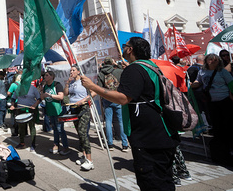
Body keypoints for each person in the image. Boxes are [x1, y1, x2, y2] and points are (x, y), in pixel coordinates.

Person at [82, 37, 178, 190]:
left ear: (130, 49)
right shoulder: (151, 66)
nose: (123, 48)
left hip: (148, 136)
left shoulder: (134, 69)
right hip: (161, 132)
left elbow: (123, 98)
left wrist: (94, 87)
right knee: (164, 179)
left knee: (151, 181)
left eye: (124, 46)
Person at [191, 53, 233, 166]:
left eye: (215, 59)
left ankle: (227, 153)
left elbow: (231, 84)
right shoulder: (202, 72)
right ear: (206, 61)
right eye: (210, 59)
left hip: (224, 102)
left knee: (226, 127)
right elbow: (198, 82)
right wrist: (191, 84)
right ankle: (220, 154)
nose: (213, 61)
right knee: (217, 127)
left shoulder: (223, 72)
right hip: (211, 103)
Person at [65, 65, 96, 169]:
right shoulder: (72, 82)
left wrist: (83, 100)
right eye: (70, 71)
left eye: (73, 70)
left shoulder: (84, 80)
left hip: (83, 108)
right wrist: (67, 83)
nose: (71, 72)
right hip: (74, 108)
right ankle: (84, 156)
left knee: (83, 132)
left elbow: (94, 92)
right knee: (79, 132)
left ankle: (90, 160)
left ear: (78, 71)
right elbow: (66, 94)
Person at [97, 57, 129, 152]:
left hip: (107, 99)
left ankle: (110, 144)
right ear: (112, 63)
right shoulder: (118, 71)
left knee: (108, 121)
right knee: (121, 121)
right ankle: (125, 145)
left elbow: (99, 88)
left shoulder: (101, 73)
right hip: (118, 97)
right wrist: (116, 64)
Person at [40, 70, 70, 155]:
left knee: (60, 129)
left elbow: (61, 96)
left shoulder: (57, 84)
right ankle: (56, 144)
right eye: (44, 76)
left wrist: (50, 96)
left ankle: (66, 147)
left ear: (52, 76)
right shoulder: (45, 86)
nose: (45, 77)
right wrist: (41, 91)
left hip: (58, 110)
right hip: (50, 110)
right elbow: (42, 98)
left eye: (46, 75)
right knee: (55, 129)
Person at [10, 82, 41, 151]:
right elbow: (13, 98)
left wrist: (35, 105)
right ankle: (22, 143)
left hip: (31, 111)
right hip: (20, 110)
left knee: (32, 127)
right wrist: (12, 105)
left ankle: (33, 144)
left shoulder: (33, 88)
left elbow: (39, 99)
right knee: (21, 128)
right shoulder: (19, 88)